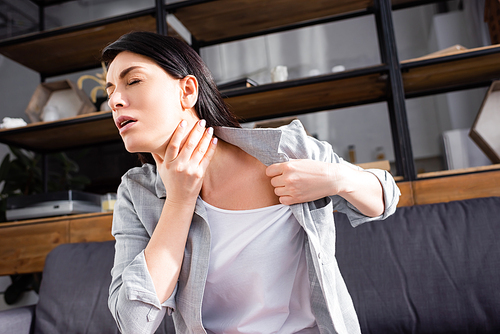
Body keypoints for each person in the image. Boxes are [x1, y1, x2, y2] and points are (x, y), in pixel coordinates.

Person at [103, 31, 400, 334]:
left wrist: (337, 178)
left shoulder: (285, 151)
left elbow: (384, 200)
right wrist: (180, 199)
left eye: (133, 81)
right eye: (109, 90)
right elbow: (134, 323)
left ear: (187, 90)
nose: (114, 100)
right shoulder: (135, 194)